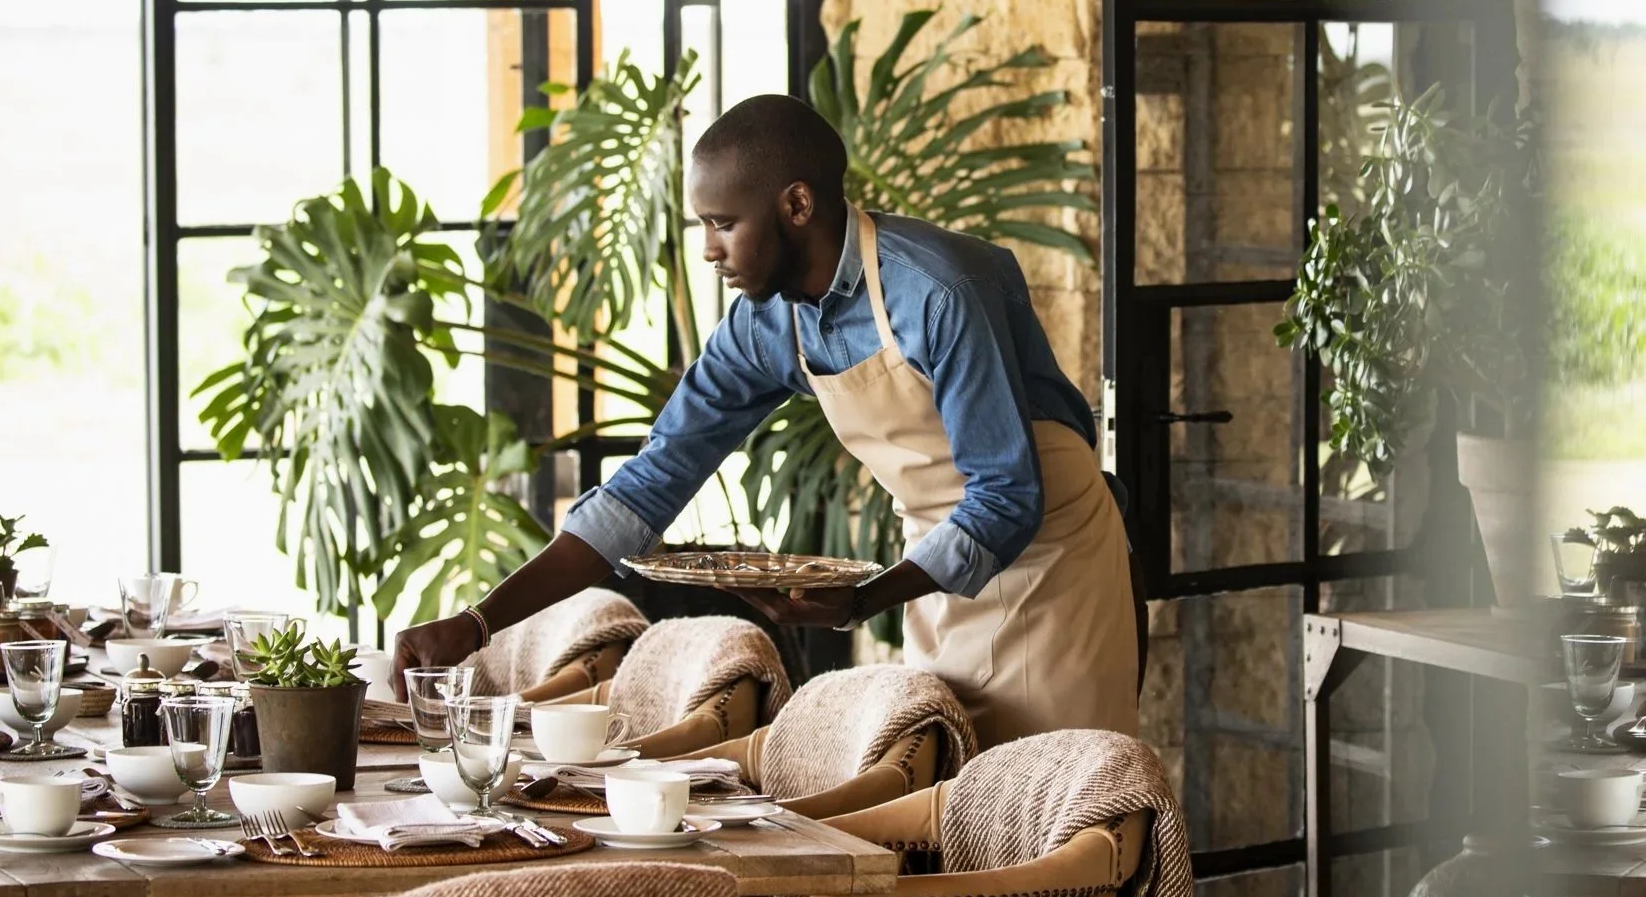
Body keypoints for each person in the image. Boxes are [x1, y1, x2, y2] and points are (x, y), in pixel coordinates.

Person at [392, 93, 1139, 748]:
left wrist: (866, 598)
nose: (709, 250)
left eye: (722, 223)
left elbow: (1008, 497)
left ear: (797, 205)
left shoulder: (937, 291)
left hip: (1052, 558)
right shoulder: (766, 324)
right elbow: (648, 487)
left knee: (1047, 804)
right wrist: (477, 624)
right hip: (940, 567)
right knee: (951, 802)